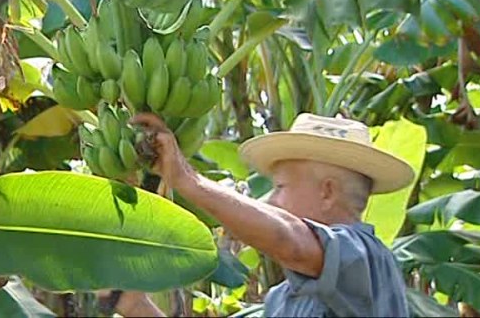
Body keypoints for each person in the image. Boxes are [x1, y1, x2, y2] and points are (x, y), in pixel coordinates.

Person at [103, 112, 415, 317]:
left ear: (327, 192)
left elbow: (289, 240)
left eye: (281, 186)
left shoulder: (365, 259)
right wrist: (136, 306)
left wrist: (188, 180)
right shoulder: (284, 299)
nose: (271, 200)